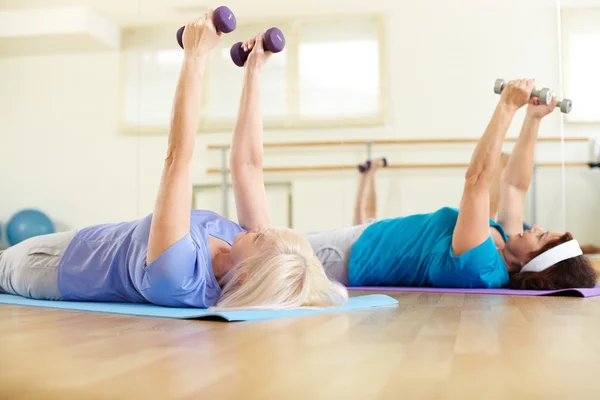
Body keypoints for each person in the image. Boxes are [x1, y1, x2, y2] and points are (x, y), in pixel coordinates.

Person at [0, 13, 348, 310]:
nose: (260, 228)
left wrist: (194, 56)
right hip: (79, 241)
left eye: (260, 237)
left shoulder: (179, 276)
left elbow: (177, 159)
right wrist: (254, 71)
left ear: (243, 276)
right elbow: (248, 167)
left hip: (48, 266)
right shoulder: (249, 248)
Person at [307, 79, 597, 290]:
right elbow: (514, 187)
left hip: (344, 257)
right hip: (361, 240)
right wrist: (532, 119)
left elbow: (477, 181)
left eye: (541, 236)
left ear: (531, 264)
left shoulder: (481, 266)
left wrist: (508, 105)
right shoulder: (504, 248)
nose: (534, 228)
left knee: (263, 248)